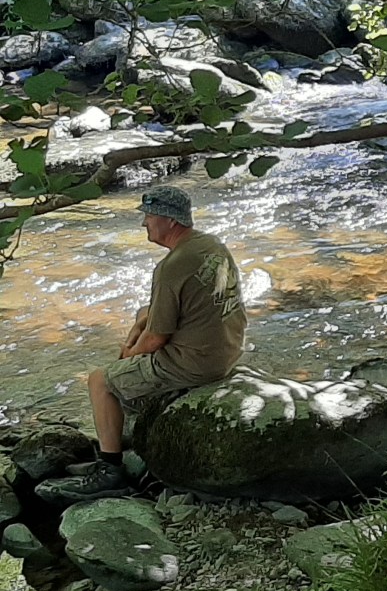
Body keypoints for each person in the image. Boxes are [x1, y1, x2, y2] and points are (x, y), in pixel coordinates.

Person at [37, 186, 247, 503]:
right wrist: (136, 327)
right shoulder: (210, 245)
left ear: (169, 221)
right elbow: (156, 317)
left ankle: (110, 470)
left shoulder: (170, 267)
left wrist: (126, 358)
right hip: (226, 348)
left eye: (149, 216)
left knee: (100, 381)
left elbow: (156, 339)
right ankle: (127, 415)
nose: (144, 223)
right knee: (141, 313)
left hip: (197, 364)